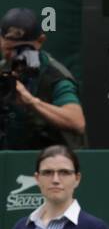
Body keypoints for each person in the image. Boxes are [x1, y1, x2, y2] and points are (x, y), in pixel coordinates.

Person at [0, 8, 86, 151]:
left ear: (40, 41)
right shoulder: (3, 70)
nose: (14, 56)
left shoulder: (54, 76)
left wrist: (31, 101)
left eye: (22, 49)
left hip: (52, 163)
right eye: (8, 49)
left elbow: (77, 122)